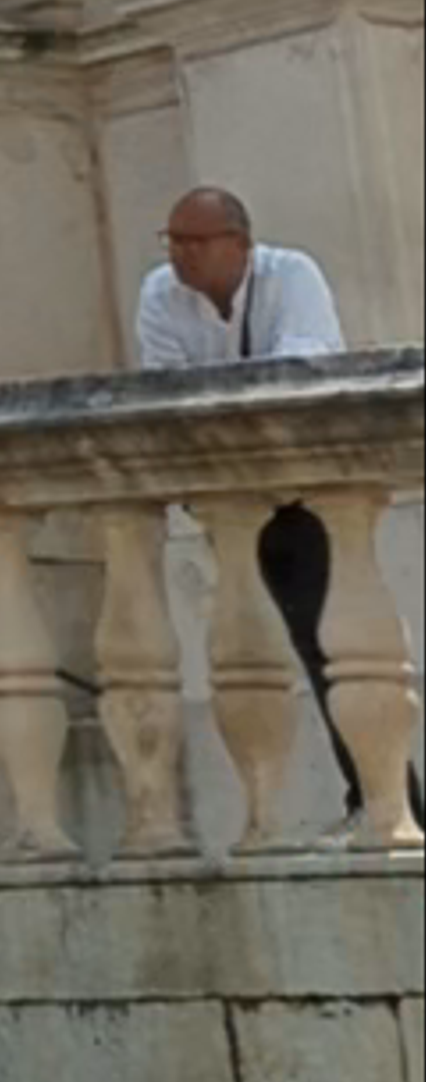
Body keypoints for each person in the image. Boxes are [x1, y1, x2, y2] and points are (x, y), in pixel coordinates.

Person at [130, 194, 375, 816]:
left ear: (240, 242)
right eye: (173, 240)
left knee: (335, 649)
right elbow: (164, 389)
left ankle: (379, 800)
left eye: (197, 242)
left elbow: (304, 368)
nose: (181, 255)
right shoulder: (160, 294)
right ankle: (277, 813)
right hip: (229, 500)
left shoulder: (292, 275)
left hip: (308, 491)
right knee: (253, 650)